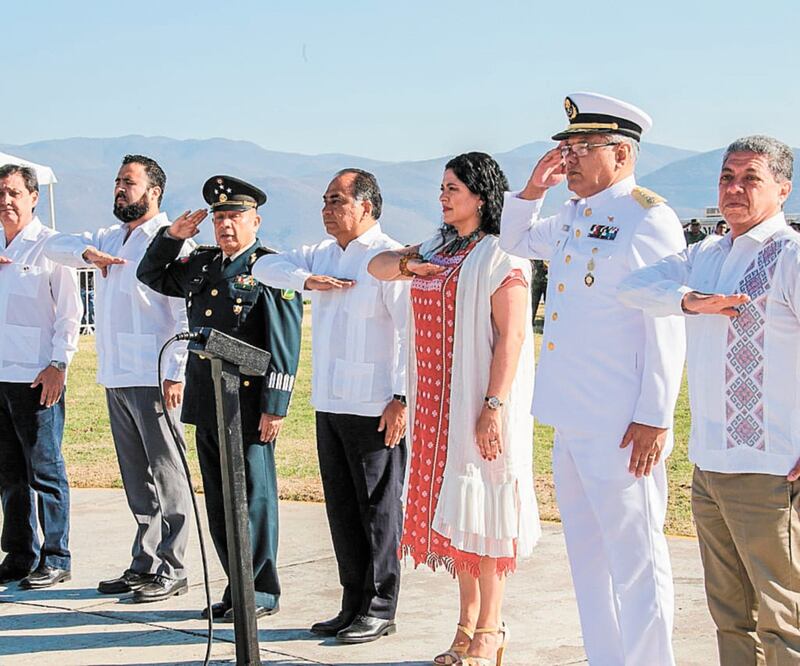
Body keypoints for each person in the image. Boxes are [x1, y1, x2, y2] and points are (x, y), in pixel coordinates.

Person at [498, 92, 686, 666]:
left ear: (622, 155)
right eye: (569, 147)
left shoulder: (647, 217)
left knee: (636, 558)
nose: (570, 158)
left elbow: (666, 321)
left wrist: (655, 415)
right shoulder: (574, 215)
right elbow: (515, 241)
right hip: (573, 415)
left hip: (622, 422)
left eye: (584, 148)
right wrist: (532, 190)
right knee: (587, 556)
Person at [618, 135, 800, 665]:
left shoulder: (788, 256)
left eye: (751, 179)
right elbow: (631, 287)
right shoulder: (705, 253)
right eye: (727, 177)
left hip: (772, 468)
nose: (735, 188)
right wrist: (690, 301)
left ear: (783, 189)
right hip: (709, 465)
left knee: (783, 617)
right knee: (729, 615)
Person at [369, 152, 539, 666]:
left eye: (453, 189)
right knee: (455, 516)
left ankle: (492, 628)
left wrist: (493, 406)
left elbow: (511, 335)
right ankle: (464, 625)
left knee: (483, 514)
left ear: (481, 197)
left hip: (478, 406)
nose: (443, 197)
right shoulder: (439, 246)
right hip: (434, 408)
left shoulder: (501, 254)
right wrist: (407, 265)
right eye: (442, 187)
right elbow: (375, 266)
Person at [252, 169, 408, 643]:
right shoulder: (321, 254)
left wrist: (402, 398)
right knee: (342, 509)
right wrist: (306, 279)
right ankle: (352, 601)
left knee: (378, 510)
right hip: (331, 401)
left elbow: (408, 334)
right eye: (324, 200)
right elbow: (262, 266)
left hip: (376, 403)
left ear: (366, 206)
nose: (327, 208)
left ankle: (381, 605)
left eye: (337, 200)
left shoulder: (389, 257)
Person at [137, 175, 302, 622]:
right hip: (209, 401)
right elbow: (149, 274)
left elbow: (283, 343)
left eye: (235, 217)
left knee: (254, 499)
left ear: (256, 220)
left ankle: (261, 590)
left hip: (249, 406)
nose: (226, 225)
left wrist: (276, 405)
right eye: (219, 217)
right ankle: (237, 586)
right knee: (219, 501)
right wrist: (172, 237)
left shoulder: (270, 268)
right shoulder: (203, 264)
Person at [44, 154, 193, 602]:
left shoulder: (170, 242)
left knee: (168, 473)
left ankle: (174, 566)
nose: (119, 189)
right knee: (135, 476)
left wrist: (176, 371)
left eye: (128, 182)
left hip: (154, 373)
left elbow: (184, 312)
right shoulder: (108, 236)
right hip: (116, 373)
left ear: (154, 192)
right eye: (116, 182)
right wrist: (87, 253)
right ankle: (143, 561)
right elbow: (53, 245)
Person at [0, 164, 81, 589]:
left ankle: (57, 556)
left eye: (14, 192)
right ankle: (19, 553)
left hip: (36, 377)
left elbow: (70, 314)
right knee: (9, 473)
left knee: (44, 470)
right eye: (0, 193)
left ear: (33, 196)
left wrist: (59, 365)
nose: (6, 201)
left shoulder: (52, 247)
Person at [530, 259, 548, 323]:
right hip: (536, 278)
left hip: (550, 280)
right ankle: (529, 324)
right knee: (532, 304)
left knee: (550, 306)